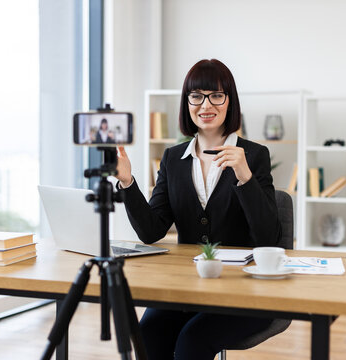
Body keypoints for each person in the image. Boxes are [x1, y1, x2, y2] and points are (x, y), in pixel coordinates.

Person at [115, 59, 282, 360]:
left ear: (230, 101)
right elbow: (151, 231)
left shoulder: (254, 156)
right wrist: (127, 182)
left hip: (243, 292)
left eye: (216, 95)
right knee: (148, 333)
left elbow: (268, 236)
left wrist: (244, 176)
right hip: (188, 288)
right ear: (187, 103)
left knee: (193, 341)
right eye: (196, 96)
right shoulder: (172, 159)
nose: (206, 104)